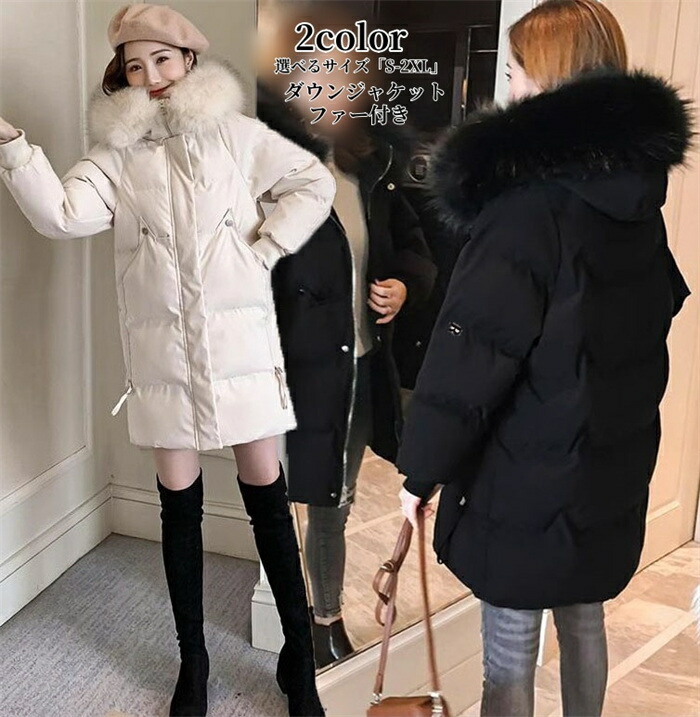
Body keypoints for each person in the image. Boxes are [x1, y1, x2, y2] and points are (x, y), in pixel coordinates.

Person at [0, 4, 335, 716]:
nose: (149, 75)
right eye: (134, 66)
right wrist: (14, 147)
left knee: (268, 503)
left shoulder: (237, 137)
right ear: (121, 76)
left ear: (188, 61)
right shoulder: (116, 157)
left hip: (240, 352)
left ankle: (299, 661)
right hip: (163, 361)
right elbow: (61, 214)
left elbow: (314, 184)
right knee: (179, 509)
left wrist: (265, 249)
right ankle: (194, 661)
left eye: (161, 59)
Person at [397, 1, 692, 715]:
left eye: (515, 71)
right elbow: (660, 306)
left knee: (510, 637)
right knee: (584, 615)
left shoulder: (526, 206)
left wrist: (421, 470)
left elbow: (471, 356)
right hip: (606, 459)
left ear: (551, 78)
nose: (509, 88)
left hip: (526, 464)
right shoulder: (634, 196)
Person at [256, 81, 436, 668]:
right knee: (292, 495)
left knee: (336, 497)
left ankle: (323, 620)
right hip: (295, 369)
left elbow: (415, 249)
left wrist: (403, 285)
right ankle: (310, 621)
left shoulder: (372, 171)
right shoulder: (271, 170)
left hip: (361, 366)